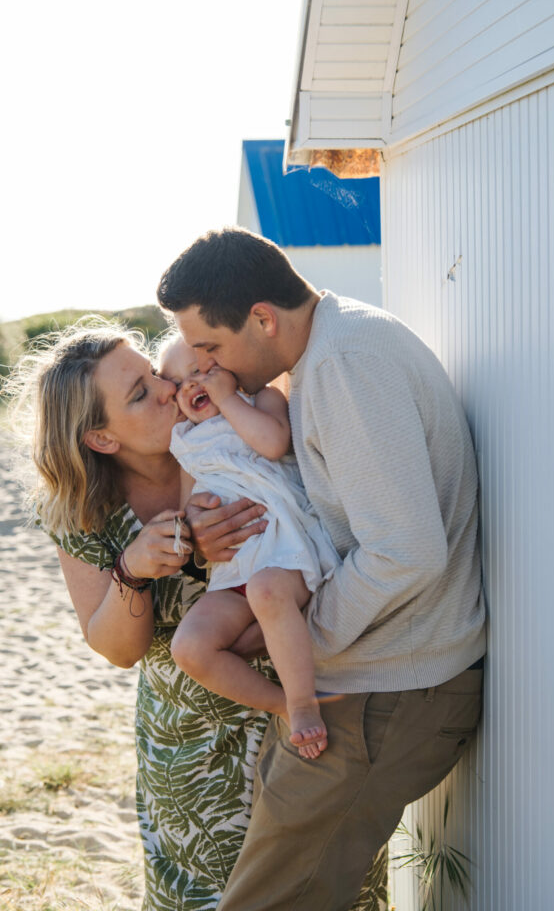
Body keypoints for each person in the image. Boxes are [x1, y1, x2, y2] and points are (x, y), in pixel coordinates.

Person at [2, 316, 386, 911]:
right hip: (190, 740)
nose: (165, 387)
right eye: (140, 394)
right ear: (102, 438)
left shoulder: (231, 428)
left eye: (153, 373)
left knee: (330, 889)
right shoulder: (81, 510)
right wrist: (136, 568)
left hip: (312, 703)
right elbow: (117, 649)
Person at [157, 226, 487, 911]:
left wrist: (302, 635)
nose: (206, 367)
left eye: (211, 348)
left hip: (387, 694)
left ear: (263, 318)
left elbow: (406, 550)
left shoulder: (343, 365)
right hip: (376, 683)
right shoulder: (334, 348)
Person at [159, 334, 339, 759]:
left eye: (202, 371)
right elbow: (191, 510)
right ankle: (281, 706)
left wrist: (229, 400)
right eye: (176, 382)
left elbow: (273, 443)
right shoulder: (187, 443)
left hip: (286, 552)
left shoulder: (262, 399)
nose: (190, 385)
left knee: (266, 592)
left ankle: (303, 702)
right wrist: (197, 523)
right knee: (189, 647)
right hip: (235, 569)